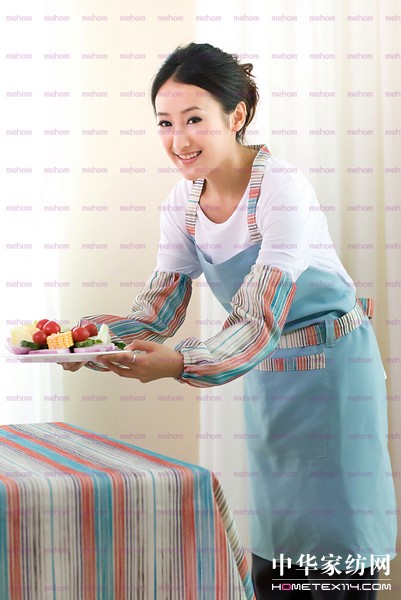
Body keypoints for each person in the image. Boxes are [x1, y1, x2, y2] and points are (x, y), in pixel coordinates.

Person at [62, 43, 397, 598]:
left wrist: (179, 365)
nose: (179, 139)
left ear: (236, 115)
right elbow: (157, 311)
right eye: (165, 123)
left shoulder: (281, 188)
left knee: (337, 544)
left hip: (334, 375)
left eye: (195, 119)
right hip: (264, 371)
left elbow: (259, 317)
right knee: (277, 539)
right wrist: (85, 342)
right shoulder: (182, 204)